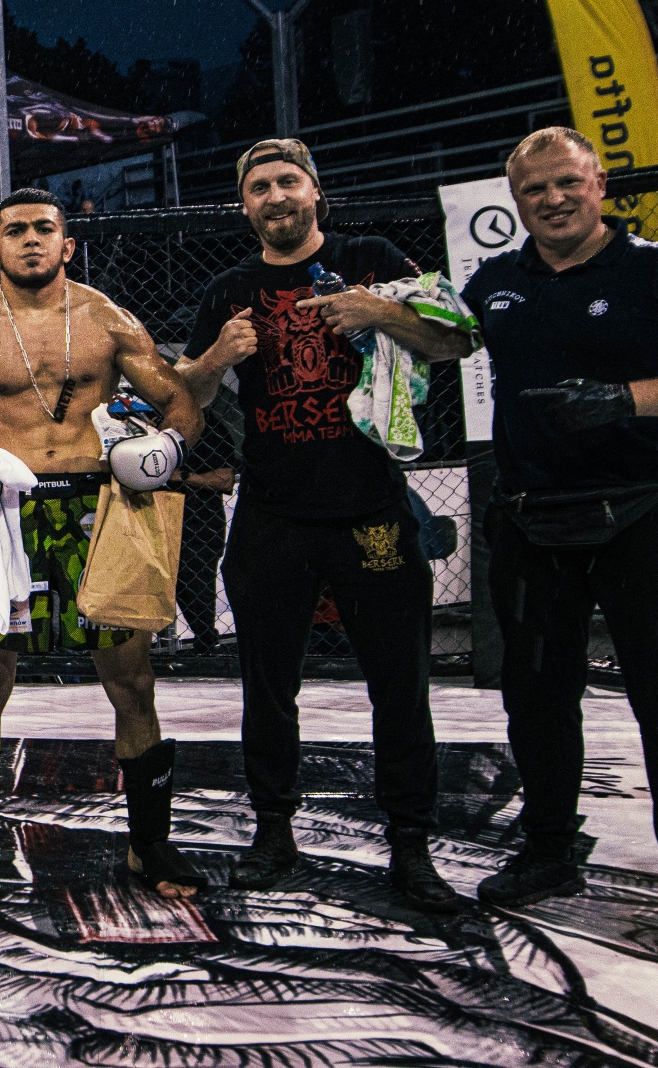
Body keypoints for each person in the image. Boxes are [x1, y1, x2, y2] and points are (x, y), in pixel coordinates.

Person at [467, 126, 658, 954]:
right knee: (535, 700)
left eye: (567, 182)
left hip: (644, 513)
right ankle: (548, 851)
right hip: (532, 518)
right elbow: (441, 336)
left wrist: (627, 399)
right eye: (534, 190)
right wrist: (378, 311)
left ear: (599, 183)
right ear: (515, 201)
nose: (553, 199)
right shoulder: (495, 280)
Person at [172, 138, 475, 913]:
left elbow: (458, 340)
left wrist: (381, 310)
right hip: (273, 511)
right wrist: (214, 359)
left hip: (371, 507)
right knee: (268, 687)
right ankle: (274, 832)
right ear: (244, 205)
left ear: (315, 192)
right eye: (259, 187)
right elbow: (184, 403)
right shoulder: (229, 289)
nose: (275, 196)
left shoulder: (372, 258)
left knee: (400, 686)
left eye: (287, 181)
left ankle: (412, 846)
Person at [0, 188, 207, 901]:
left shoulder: (107, 319)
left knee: (132, 680)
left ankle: (150, 844)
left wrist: (168, 446)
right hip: (7, 514)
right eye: (15, 231)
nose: (30, 239)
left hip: (98, 508)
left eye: (43, 228)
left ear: (68, 245)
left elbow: (181, 402)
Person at [170, 367, 240, 653]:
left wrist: (182, 477)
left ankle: (206, 644)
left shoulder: (208, 425)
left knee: (197, 585)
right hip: (162, 517)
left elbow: (225, 479)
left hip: (199, 520)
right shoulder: (151, 423)